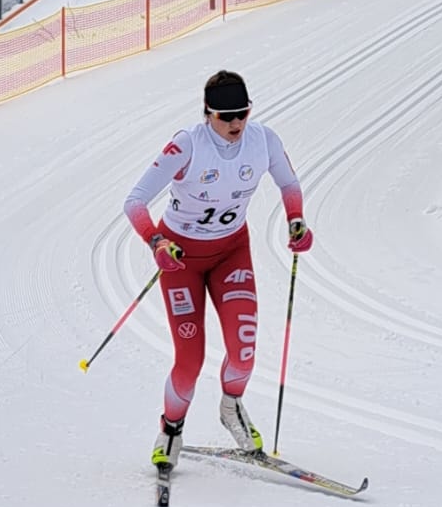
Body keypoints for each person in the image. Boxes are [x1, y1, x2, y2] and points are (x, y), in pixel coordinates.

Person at [123, 69, 313, 470]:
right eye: (226, 117)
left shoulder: (263, 141)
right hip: (181, 259)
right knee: (189, 360)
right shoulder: (187, 145)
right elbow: (135, 202)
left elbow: (289, 185)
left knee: (243, 352)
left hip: (230, 253)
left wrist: (296, 220)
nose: (236, 123)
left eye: (243, 113)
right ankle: (171, 428)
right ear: (208, 113)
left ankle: (231, 408)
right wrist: (156, 242)